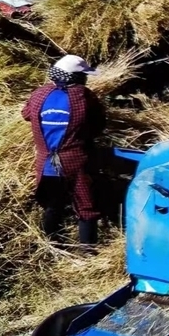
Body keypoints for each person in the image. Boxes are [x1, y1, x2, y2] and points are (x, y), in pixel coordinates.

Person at [21, 55, 107, 247]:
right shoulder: (84, 96)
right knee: (85, 205)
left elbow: (26, 114)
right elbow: (99, 124)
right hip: (76, 162)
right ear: (76, 77)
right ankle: (88, 249)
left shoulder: (39, 95)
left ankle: (51, 244)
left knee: (53, 204)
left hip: (46, 163)